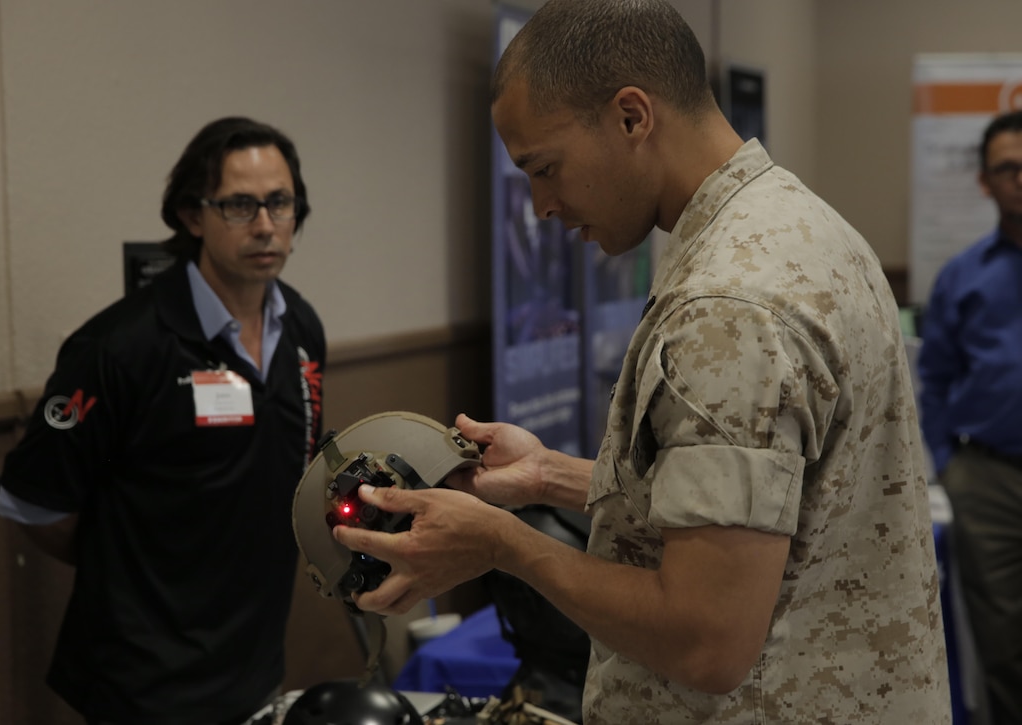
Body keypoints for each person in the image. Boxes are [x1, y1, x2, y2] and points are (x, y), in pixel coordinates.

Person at [331, 1, 951, 722]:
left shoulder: (728, 305)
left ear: (632, 116)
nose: (540, 207)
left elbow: (704, 638)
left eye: (545, 167)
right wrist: (550, 478)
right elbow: (770, 510)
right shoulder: (794, 225)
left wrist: (503, 544)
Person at [0, 117, 326, 725]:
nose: (263, 225)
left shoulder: (300, 328)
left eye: (279, 203)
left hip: (253, 663)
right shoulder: (121, 347)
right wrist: (135, 567)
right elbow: (35, 502)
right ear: (191, 216)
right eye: (238, 205)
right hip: (145, 683)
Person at [918, 108, 1022, 724]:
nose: (1021, 178)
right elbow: (933, 379)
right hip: (988, 481)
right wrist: (951, 466)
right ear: (986, 182)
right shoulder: (963, 276)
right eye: (1007, 168)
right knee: (1003, 636)